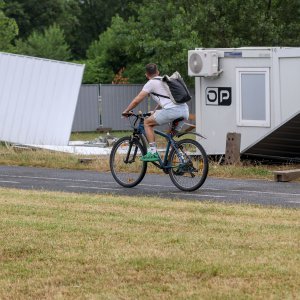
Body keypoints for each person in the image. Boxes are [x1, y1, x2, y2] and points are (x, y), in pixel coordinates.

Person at [122, 63, 189, 162]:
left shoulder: (150, 83)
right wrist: (154, 111)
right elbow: (165, 99)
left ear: (146, 75)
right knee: (169, 137)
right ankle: (184, 161)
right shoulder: (165, 80)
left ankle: (153, 152)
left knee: (147, 123)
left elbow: (137, 100)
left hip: (172, 111)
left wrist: (126, 111)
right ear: (158, 72)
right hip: (184, 111)